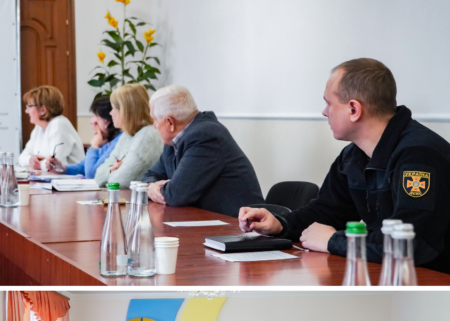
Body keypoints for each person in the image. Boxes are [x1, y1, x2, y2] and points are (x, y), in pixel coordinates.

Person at [239, 58, 450, 273]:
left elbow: (411, 243)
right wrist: (281, 224)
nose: (324, 112)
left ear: (354, 109)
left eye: (329, 103)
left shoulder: (419, 156)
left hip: (433, 279)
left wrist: (333, 241)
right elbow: (327, 212)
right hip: (391, 274)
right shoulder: (353, 155)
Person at [141, 85, 264, 217]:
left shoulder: (205, 136)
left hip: (239, 223)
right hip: (206, 220)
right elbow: (149, 175)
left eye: (155, 120)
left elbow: (176, 195)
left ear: (170, 123)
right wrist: (151, 188)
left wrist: (159, 188)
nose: (154, 126)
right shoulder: (173, 141)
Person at [93, 84, 163, 187]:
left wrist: (110, 172)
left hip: (141, 197)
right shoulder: (127, 134)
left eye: (113, 108)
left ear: (125, 110)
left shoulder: (147, 136)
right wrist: (111, 170)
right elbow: (98, 176)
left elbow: (119, 182)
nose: (111, 113)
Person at [48, 96, 121, 178]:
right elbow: (83, 166)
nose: (91, 121)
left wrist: (93, 147)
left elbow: (92, 174)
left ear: (107, 120)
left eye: (95, 115)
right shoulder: (105, 140)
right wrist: (62, 169)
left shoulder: (118, 142)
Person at [18, 86, 85, 170]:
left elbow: (55, 165)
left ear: (43, 110)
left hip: (73, 178)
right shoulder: (38, 128)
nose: (26, 111)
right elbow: (21, 158)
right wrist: (30, 160)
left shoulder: (59, 125)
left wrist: (36, 164)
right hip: (48, 177)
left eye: (29, 106)